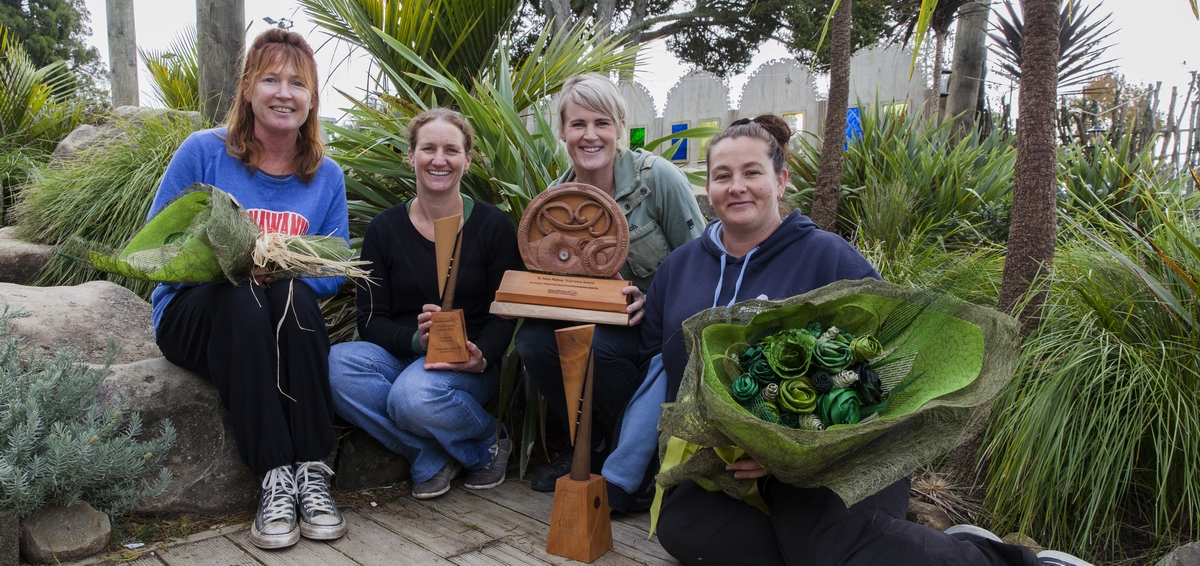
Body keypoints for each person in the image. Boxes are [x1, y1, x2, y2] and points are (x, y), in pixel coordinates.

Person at [646, 115, 1091, 566]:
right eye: (723, 176)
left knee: (832, 548)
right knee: (685, 530)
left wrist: (786, 450)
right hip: (727, 467)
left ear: (780, 182)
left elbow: (880, 371)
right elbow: (654, 366)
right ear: (710, 187)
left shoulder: (829, 257)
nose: (736, 186)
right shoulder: (678, 268)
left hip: (841, 455)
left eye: (752, 172)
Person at [149, 29, 348, 550]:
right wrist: (235, 263)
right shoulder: (204, 153)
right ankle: (274, 475)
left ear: (311, 99)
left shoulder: (325, 177)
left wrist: (280, 265)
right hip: (195, 314)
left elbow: (331, 271)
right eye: (271, 79)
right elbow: (159, 247)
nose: (285, 93)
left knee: (295, 297)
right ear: (247, 89)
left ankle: (311, 468)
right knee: (243, 298)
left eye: (297, 83)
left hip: (278, 314)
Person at [516, 73, 707, 502]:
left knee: (596, 347)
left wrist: (651, 299)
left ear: (620, 126)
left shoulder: (657, 179)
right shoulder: (555, 197)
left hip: (660, 329)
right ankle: (590, 444)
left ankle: (641, 459)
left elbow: (701, 263)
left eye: (602, 123)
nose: (590, 135)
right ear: (563, 131)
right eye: (578, 124)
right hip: (598, 318)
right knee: (532, 340)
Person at [328, 108, 525, 501]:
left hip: (466, 364)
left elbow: (507, 309)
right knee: (335, 366)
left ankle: (489, 437)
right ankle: (434, 454)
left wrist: (482, 355)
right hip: (405, 353)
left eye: (451, 150)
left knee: (412, 397)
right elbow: (370, 319)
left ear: (467, 160)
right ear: (411, 155)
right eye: (428, 148)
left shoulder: (493, 227)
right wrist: (417, 340)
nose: (439, 160)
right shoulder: (384, 230)